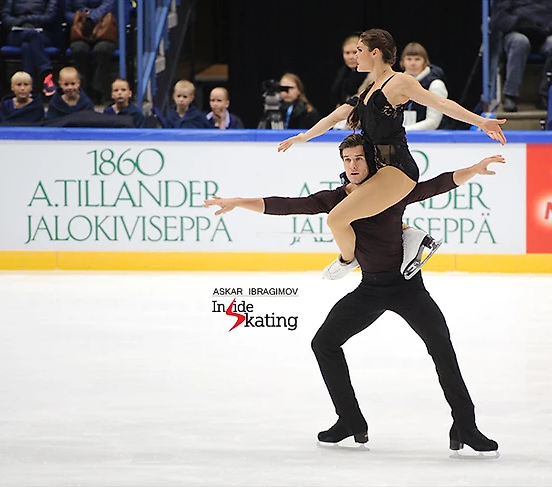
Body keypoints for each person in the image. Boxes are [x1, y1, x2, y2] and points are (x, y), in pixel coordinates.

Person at [204, 134, 505, 453]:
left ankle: (465, 426)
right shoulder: (336, 200)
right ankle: (350, 421)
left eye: (358, 159)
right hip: (371, 288)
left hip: (406, 287)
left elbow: (435, 185)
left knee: (441, 345)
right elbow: (288, 205)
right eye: (347, 160)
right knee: (324, 343)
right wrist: (238, 202)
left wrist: (474, 169)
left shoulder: (391, 191)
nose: (352, 166)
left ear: (371, 161)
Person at [277, 28, 507, 281]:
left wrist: (481, 122)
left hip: (397, 168)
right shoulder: (367, 90)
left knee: (336, 219)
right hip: (380, 169)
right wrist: (302, 137)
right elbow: (335, 116)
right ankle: (410, 235)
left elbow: (440, 103)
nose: (355, 56)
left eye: (360, 51)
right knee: (362, 216)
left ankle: (349, 258)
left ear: (375, 53)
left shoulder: (399, 82)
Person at [65, 0, 118, 105]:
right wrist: (80, 18)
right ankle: (84, 89)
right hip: (81, 30)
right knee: (79, 49)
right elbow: (66, 12)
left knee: (102, 49)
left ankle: (97, 89)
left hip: (104, 30)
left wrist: (92, 18)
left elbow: (109, 5)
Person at [399, 41, 450, 130]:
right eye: (409, 59)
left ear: (425, 62)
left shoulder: (435, 85)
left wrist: (403, 130)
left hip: (433, 139)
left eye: (417, 59)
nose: (413, 63)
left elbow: (433, 122)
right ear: (402, 62)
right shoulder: (397, 83)